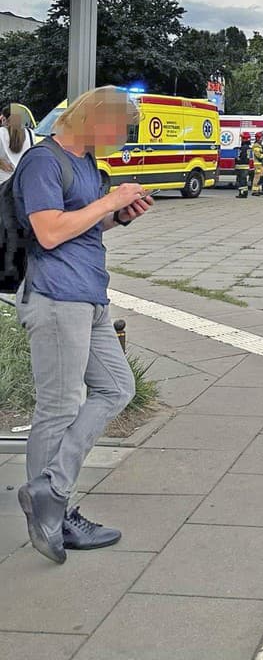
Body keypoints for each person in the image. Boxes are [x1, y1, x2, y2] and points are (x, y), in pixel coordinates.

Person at [13, 87, 153, 563]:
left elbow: (82, 225)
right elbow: (50, 230)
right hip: (55, 297)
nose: (122, 137)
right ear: (93, 118)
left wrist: (118, 217)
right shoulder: (43, 162)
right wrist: (108, 200)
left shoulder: (88, 163)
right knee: (58, 407)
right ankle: (54, 513)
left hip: (88, 296)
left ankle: (50, 491)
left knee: (117, 387)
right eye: (120, 127)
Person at [0, 104, 34, 185]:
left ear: (4, 119)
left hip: (3, 183)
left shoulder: (1, 132)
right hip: (23, 182)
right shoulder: (30, 133)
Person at [234, 131, 252, 198]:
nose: (241, 139)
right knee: (243, 181)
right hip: (245, 166)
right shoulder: (247, 147)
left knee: (241, 181)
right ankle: (244, 193)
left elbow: (242, 158)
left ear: (245, 139)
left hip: (242, 166)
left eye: (242, 138)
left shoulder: (243, 148)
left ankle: (242, 194)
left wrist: (237, 159)